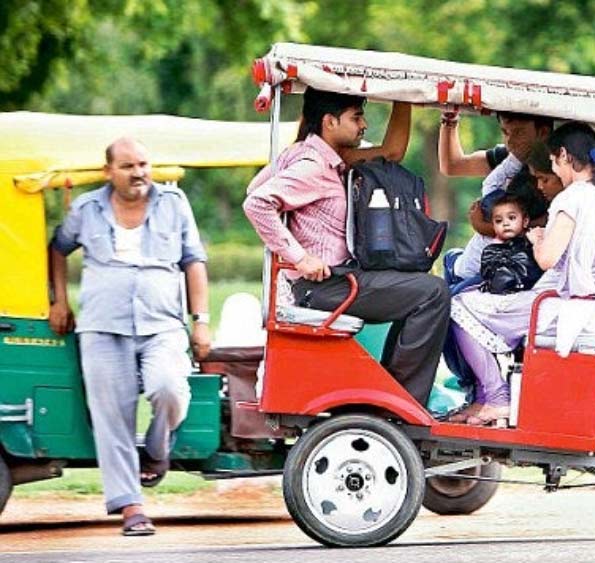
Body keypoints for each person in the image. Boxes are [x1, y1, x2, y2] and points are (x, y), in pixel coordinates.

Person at [243, 88, 447, 407]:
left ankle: (394, 394)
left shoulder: (320, 157)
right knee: (433, 293)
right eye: (356, 117)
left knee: (419, 285)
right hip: (327, 286)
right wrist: (299, 256)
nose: (363, 125)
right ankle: (400, 400)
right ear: (329, 121)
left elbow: (392, 152)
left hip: (337, 279)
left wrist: (404, 94)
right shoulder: (312, 164)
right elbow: (256, 202)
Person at [48, 137, 210, 536]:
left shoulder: (174, 204)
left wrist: (201, 319)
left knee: (170, 389)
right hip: (103, 326)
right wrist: (59, 300)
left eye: (143, 164)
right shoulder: (87, 209)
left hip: (163, 324)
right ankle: (131, 507)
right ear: (109, 172)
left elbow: (194, 261)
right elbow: (57, 248)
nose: (138, 173)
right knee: (111, 416)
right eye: (127, 166)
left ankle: (157, 450)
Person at [449, 121, 595, 425]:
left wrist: (537, 237)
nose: (553, 168)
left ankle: (497, 396)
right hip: (581, 300)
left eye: (553, 161)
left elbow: (546, 259)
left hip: (559, 302)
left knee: (458, 304)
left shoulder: (571, 197)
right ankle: (488, 397)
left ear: (564, 156)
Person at [439, 111, 553, 280]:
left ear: (543, 132)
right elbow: (452, 165)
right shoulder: (509, 159)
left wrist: (486, 227)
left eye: (519, 133)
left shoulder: (559, 168)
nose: (511, 142)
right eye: (506, 133)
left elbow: (552, 223)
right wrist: (449, 120)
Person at [479, 194, 543, 295]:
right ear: (493, 226)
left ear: (525, 221)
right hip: (502, 295)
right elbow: (497, 279)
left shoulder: (532, 244)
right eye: (499, 221)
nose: (505, 223)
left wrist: (536, 244)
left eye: (511, 218)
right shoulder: (491, 250)